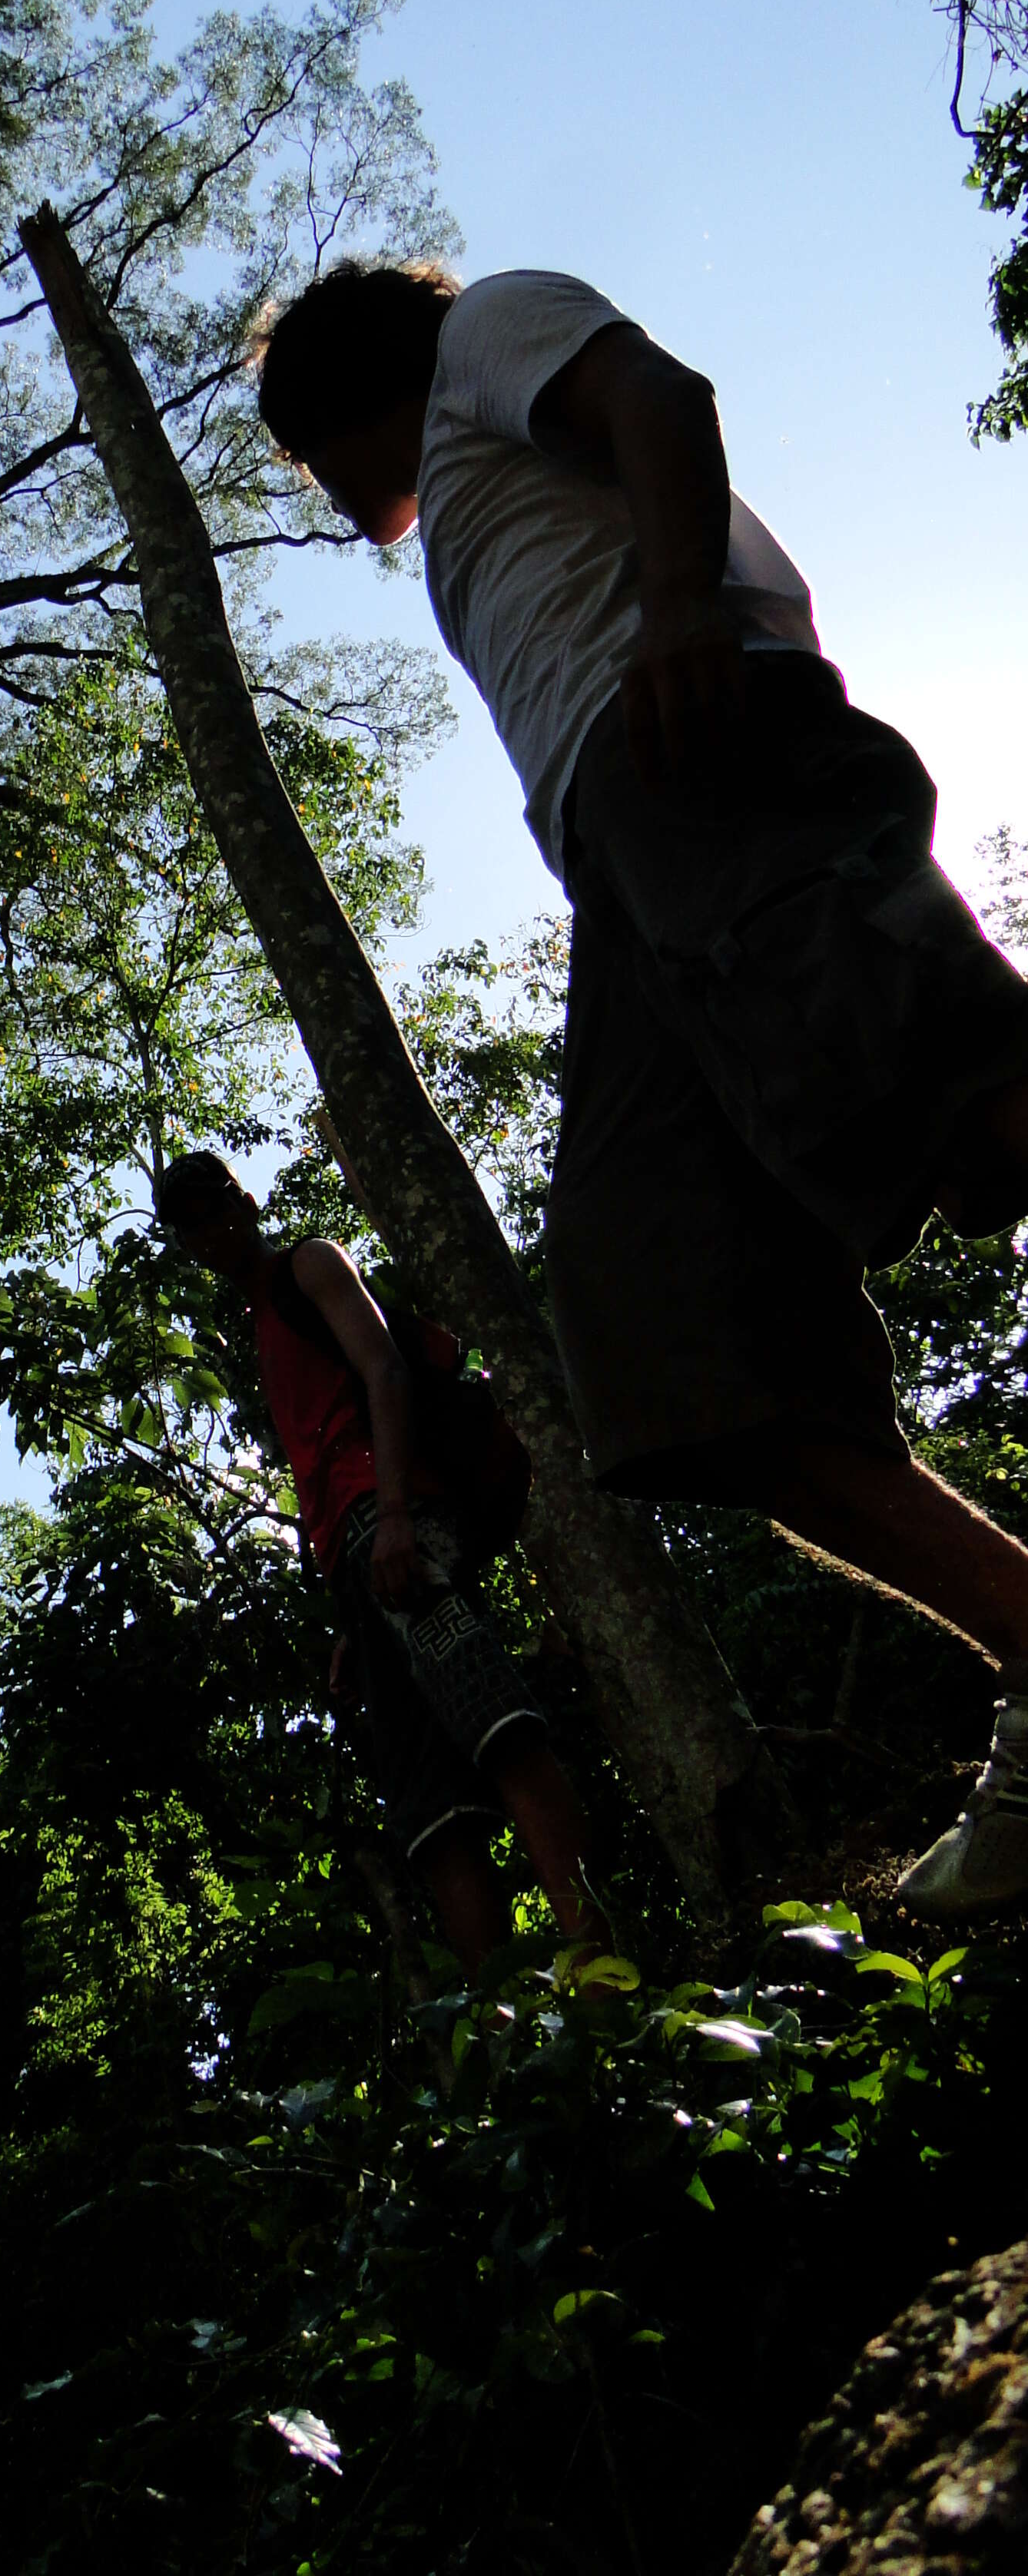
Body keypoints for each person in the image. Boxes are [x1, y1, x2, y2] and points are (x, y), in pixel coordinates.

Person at [254, 261, 1028, 1922]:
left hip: (702, 753)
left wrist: (681, 602)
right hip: (636, 884)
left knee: (972, 1102)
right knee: (669, 1355)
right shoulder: (469, 490)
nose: (324, 500)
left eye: (312, 459)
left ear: (344, 398)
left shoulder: (487, 333)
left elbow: (661, 402)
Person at [154, 1147, 610, 1980]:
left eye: (217, 1211)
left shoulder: (310, 1265)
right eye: (191, 1228)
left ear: (245, 1203)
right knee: (434, 1816)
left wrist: (397, 1513)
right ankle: (513, 2048)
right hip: (357, 1562)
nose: (212, 1234)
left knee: (499, 1728)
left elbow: (384, 1370)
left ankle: (601, 1973)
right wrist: (347, 1621)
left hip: (392, 1519)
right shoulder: (257, 1329)